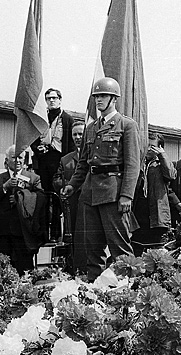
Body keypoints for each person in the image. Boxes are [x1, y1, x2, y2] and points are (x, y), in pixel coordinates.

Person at [62, 77, 140, 281]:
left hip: (113, 193)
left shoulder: (126, 125)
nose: (98, 100)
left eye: (103, 96)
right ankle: (95, 289)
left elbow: (133, 164)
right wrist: (72, 185)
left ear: (114, 98)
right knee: (92, 247)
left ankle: (128, 289)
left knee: (120, 247)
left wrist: (126, 195)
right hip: (89, 193)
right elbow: (83, 163)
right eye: (96, 96)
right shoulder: (91, 127)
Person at [0, 145, 45, 274]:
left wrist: (22, 198)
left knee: (25, 269)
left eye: (21, 157)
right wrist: (5, 187)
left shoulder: (33, 178)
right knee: (2, 268)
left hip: (23, 231)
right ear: (7, 161)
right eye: (14, 157)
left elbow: (41, 199)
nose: (18, 160)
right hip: (3, 231)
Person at [30, 88, 75, 241]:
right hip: (43, 161)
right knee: (43, 195)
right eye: (48, 98)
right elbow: (33, 138)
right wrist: (37, 148)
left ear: (60, 100)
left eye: (54, 98)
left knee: (58, 197)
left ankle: (57, 233)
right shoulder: (41, 117)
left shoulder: (67, 119)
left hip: (59, 160)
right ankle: (43, 233)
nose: (51, 101)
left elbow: (71, 144)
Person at [132, 132, 175, 256]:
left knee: (157, 250)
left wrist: (162, 155)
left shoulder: (162, 164)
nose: (148, 149)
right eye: (147, 145)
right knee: (138, 247)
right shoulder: (139, 162)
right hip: (140, 212)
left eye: (152, 146)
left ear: (159, 148)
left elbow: (171, 175)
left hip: (157, 212)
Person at [53, 122, 85, 241]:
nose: (77, 137)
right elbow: (57, 178)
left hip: (88, 203)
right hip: (71, 205)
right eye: (75, 134)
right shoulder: (65, 159)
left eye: (81, 134)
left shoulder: (93, 157)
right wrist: (63, 186)